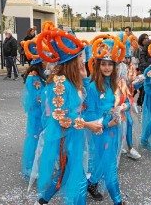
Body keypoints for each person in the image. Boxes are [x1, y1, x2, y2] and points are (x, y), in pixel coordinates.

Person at [34, 28, 102, 205]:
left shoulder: (73, 80)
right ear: (72, 61)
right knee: (75, 174)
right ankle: (46, 200)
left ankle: (43, 200)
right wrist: (89, 125)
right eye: (80, 57)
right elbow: (64, 119)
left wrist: (86, 78)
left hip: (76, 134)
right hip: (66, 135)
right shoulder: (60, 84)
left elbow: (87, 103)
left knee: (68, 172)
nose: (83, 60)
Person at [84, 35, 126, 205]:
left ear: (115, 66)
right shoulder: (93, 87)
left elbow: (126, 102)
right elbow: (89, 115)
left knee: (105, 159)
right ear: (98, 64)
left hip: (115, 128)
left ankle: (92, 183)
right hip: (102, 130)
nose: (107, 67)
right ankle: (118, 200)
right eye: (104, 63)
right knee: (110, 165)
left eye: (110, 64)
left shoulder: (117, 83)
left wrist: (122, 108)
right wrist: (107, 122)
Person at [21, 39, 46, 180]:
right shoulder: (33, 78)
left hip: (39, 112)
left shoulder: (39, 75)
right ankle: (31, 167)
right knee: (35, 138)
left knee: (39, 138)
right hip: (37, 113)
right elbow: (37, 98)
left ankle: (39, 164)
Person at [118, 37, 141, 160]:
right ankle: (120, 145)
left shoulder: (130, 67)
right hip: (116, 100)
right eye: (124, 57)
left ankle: (130, 147)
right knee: (119, 125)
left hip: (126, 97)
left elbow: (128, 84)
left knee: (129, 123)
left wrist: (138, 82)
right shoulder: (117, 67)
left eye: (128, 57)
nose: (126, 60)